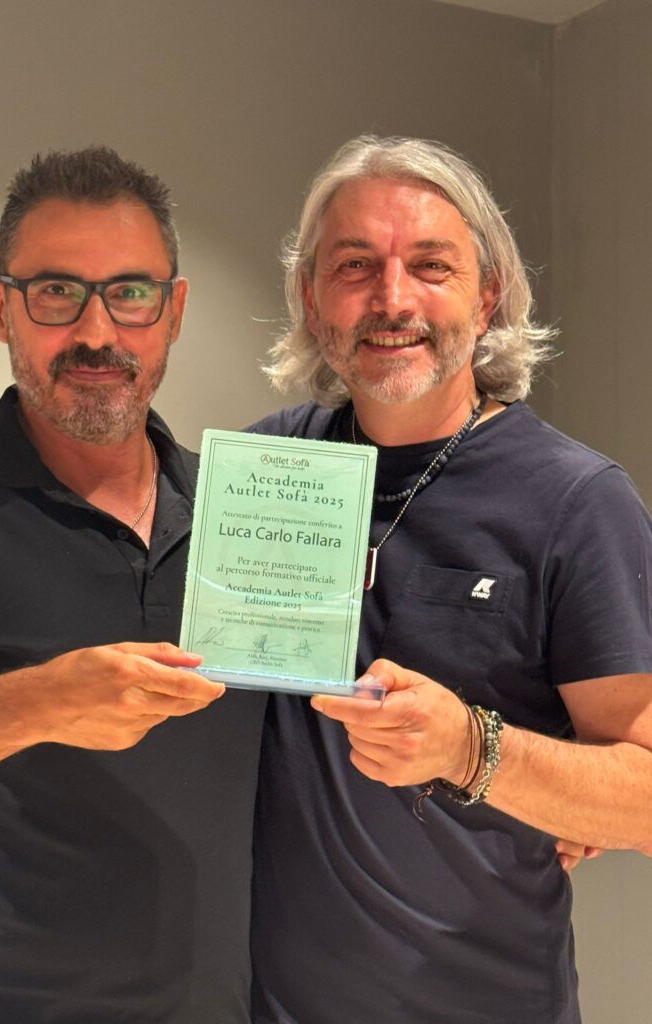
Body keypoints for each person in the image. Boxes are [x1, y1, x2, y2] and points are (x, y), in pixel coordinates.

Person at [248, 136, 652, 1024]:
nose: (392, 299)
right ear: (312, 299)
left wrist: (474, 749)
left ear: (488, 294)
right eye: (355, 266)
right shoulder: (271, 465)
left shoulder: (576, 501)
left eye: (431, 265)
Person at [0, 148, 265, 1023]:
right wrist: (38, 703)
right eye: (57, 292)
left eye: (130, 293)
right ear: (0, 309)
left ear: (173, 311)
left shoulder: (242, 517)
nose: (98, 332)